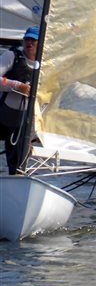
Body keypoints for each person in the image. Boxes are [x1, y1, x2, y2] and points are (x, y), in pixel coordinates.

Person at [0, 26, 41, 175]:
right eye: (27, 39)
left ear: (40, 43)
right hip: (3, 114)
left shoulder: (44, 64)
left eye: (33, 40)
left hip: (23, 122)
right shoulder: (12, 56)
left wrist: (35, 133)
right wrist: (17, 86)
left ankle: (16, 180)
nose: (29, 43)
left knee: (18, 164)